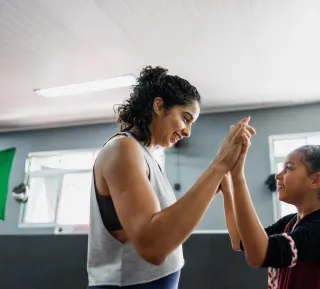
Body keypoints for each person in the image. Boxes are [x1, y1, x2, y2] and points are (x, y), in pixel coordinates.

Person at [87, 66, 255, 288]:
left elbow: (166, 224)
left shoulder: (145, 155)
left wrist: (215, 180)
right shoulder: (123, 149)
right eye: (185, 118)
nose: (188, 132)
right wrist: (218, 166)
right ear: (159, 106)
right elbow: (153, 246)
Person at [220, 138, 320, 289]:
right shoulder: (290, 222)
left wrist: (238, 177)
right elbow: (240, 241)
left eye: (289, 168)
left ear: (316, 180)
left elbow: (259, 255)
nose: (278, 176)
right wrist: (227, 189)